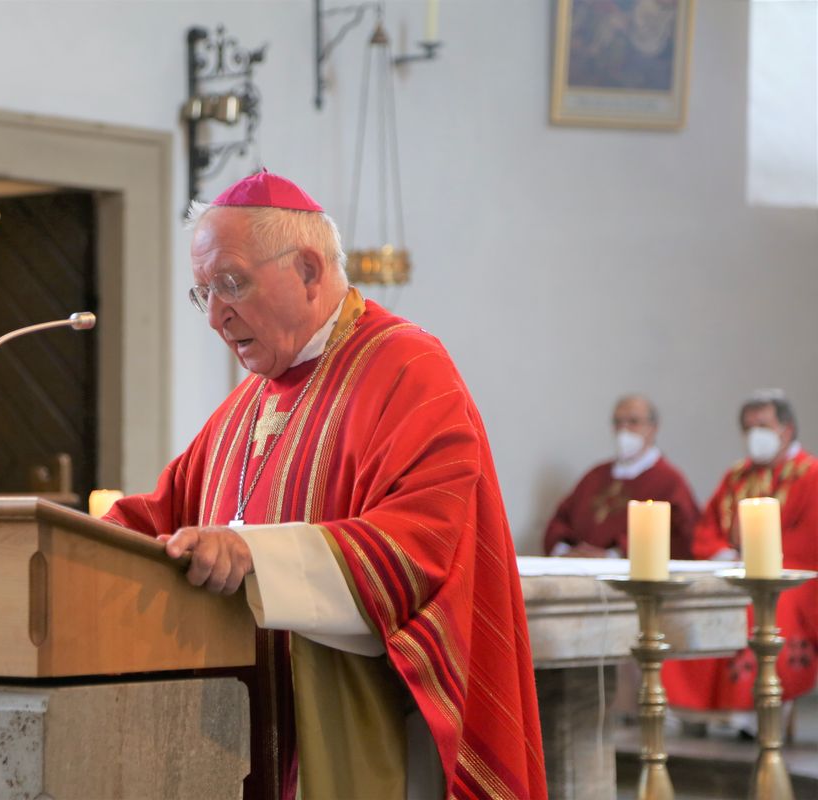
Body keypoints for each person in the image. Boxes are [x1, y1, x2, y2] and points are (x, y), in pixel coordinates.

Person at [104, 171, 546, 799]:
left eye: (231, 284)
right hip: (241, 737)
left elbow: (424, 546)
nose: (217, 317)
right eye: (204, 294)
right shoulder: (246, 406)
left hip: (360, 736)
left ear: (310, 270)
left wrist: (255, 553)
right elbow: (157, 517)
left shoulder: (409, 370)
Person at [663, 390, 818, 721]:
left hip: (794, 575)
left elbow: (809, 539)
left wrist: (763, 561)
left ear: (787, 429)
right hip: (735, 570)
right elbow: (708, 527)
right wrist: (721, 552)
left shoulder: (810, 474)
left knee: (756, 604)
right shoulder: (736, 476)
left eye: (762, 425)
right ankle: (698, 710)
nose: (753, 435)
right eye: (747, 428)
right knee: (690, 598)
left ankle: (751, 709)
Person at [543, 394, 698, 559]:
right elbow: (560, 521)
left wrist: (613, 554)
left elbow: (681, 537)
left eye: (633, 422)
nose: (624, 429)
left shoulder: (669, 481)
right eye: (618, 422)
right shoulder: (595, 475)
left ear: (653, 427)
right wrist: (567, 551)